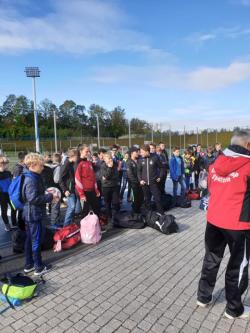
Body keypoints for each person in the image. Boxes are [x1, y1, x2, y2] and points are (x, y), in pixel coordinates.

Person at [197, 130, 250, 319]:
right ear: (248, 145)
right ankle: (234, 309)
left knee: (211, 258)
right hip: (238, 225)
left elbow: (211, 187)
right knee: (238, 266)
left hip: (214, 220)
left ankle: (203, 297)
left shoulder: (215, 162)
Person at [22, 153, 58, 276]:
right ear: (32, 165)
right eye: (41, 165)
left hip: (30, 213)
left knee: (29, 239)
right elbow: (33, 198)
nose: (43, 167)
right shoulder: (31, 178)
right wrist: (50, 196)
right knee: (36, 240)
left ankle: (29, 265)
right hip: (34, 214)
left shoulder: (31, 176)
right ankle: (38, 267)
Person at [137, 144, 164, 214]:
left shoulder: (155, 157)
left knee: (157, 198)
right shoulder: (140, 159)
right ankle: (149, 215)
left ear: (147, 151)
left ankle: (161, 214)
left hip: (153, 183)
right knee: (147, 200)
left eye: (142, 152)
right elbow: (138, 171)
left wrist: (160, 177)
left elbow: (162, 168)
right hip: (144, 184)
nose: (140, 153)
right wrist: (140, 180)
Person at [75, 145, 100, 216]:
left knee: (96, 209)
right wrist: (82, 194)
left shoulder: (88, 162)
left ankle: (97, 225)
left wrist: (96, 189)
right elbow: (77, 180)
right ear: (81, 152)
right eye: (86, 151)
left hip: (92, 190)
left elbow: (93, 177)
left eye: (89, 151)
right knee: (85, 211)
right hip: (84, 191)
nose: (88, 153)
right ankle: (84, 226)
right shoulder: (78, 163)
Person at [59, 148, 81, 226]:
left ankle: (71, 223)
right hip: (69, 189)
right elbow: (60, 179)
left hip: (73, 188)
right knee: (71, 207)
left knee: (75, 207)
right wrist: (65, 190)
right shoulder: (66, 164)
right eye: (77, 156)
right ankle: (66, 225)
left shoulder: (72, 163)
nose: (78, 157)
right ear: (73, 156)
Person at [101, 152, 120, 223]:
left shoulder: (114, 164)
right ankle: (109, 217)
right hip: (106, 187)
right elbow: (106, 176)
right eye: (108, 158)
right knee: (107, 203)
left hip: (114, 186)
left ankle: (116, 217)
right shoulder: (103, 166)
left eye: (110, 158)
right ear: (104, 159)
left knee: (115, 202)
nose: (109, 159)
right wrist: (109, 167)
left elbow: (116, 175)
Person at [0, 156, 17, 231]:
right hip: (2, 196)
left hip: (9, 195)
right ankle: (7, 226)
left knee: (14, 207)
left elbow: (11, 182)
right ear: (2, 164)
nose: (8, 165)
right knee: (4, 210)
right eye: (7, 163)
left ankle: (14, 223)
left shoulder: (8, 172)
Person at [126, 147, 143, 213]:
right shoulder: (129, 162)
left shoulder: (139, 160)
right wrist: (138, 182)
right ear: (132, 153)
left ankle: (139, 210)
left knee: (141, 197)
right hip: (134, 184)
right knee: (135, 198)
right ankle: (135, 212)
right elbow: (130, 175)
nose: (138, 153)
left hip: (140, 183)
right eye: (136, 152)